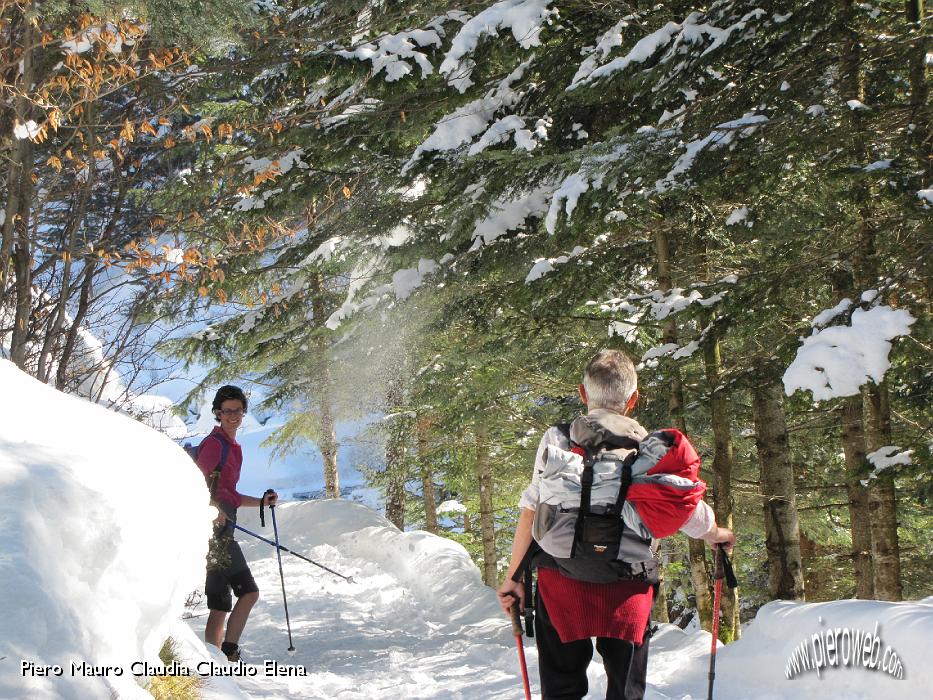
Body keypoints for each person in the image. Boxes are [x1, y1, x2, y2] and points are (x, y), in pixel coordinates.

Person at [497, 349, 735, 700]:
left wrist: (513, 577)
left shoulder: (558, 439)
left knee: (561, 688)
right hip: (628, 588)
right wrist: (718, 534)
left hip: (561, 582)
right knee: (625, 692)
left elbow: (532, 508)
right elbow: (686, 508)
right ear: (633, 399)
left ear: (582, 393)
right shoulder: (652, 451)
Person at [196, 385, 278, 662]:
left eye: (238, 410)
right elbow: (193, 483)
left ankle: (222, 655)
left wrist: (261, 502)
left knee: (232, 599)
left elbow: (229, 493)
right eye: (227, 411)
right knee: (235, 598)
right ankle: (219, 658)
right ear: (218, 413)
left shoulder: (233, 447)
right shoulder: (214, 445)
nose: (233, 416)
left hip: (224, 530)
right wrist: (211, 509)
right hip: (212, 532)